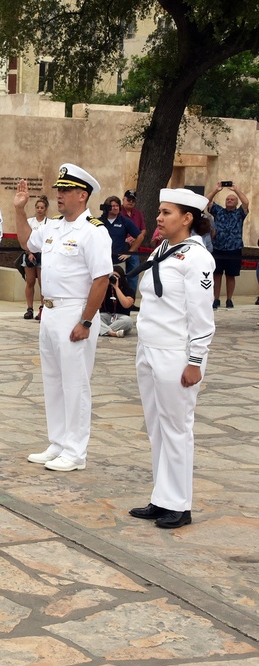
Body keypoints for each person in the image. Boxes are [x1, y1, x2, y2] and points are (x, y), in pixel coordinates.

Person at [14, 164, 112, 472]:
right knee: (54, 381)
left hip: (76, 311)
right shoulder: (54, 227)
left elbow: (101, 279)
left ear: (82, 195)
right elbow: (27, 242)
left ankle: (75, 451)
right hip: (51, 311)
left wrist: (85, 321)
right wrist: (20, 210)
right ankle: (57, 442)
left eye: (66, 190)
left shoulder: (93, 231)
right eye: (59, 189)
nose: (60, 195)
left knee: (75, 384)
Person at [129, 188, 216, 529]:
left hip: (176, 353)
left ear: (187, 218)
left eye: (166, 213)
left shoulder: (197, 258)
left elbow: (201, 317)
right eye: (159, 213)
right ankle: (162, 497)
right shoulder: (165, 249)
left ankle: (180, 505)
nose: (159, 218)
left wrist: (195, 361)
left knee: (177, 429)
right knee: (157, 428)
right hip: (149, 347)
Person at [205, 182, 249, 308]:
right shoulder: (218, 211)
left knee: (231, 275)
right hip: (218, 247)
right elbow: (207, 201)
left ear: (236, 203)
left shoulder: (240, 213)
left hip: (234, 248)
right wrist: (216, 190)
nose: (229, 201)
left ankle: (229, 299)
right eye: (227, 199)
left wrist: (236, 190)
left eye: (232, 200)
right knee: (216, 274)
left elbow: (246, 202)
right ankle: (216, 299)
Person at [23, 195, 49, 319]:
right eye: (37, 207)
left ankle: (42, 309)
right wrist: (29, 253)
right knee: (30, 282)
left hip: (43, 255)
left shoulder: (49, 223)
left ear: (46, 209)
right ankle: (29, 308)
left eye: (42, 208)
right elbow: (25, 239)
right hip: (30, 254)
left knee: (42, 283)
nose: (39, 209)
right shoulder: (29, 221)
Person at [100, 195, 141, 265]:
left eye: (117, 206)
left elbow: (140, 236)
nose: (115, 208)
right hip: (101, 260)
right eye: (113, 206)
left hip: (118, 261)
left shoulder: (125, 221)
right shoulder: (99, 222)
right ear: (107, 207)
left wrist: (129, 253)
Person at [120, 190, 147, 292]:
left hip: (134, 248)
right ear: (123, 199)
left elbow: (143, 230)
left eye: (133, 200)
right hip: (120, 248)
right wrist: (125, 239)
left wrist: (136, 238)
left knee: (134, 273)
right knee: (118, 274)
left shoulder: (138, 213)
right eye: (128, 199)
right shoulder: (118, 212)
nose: (130, 202)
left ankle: (130, 299)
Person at [99, 265, 135, 338]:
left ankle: (102, 330)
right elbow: (97, 305)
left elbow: (126, 305)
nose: (113, 278)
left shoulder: (128, 290)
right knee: (94, 318)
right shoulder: (104, 289)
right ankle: (111, 333)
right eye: (111, 276)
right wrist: (104, 285)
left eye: (116, 276)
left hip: (121, 318)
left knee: (128, 321)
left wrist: (116, 288)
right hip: (105, 316)